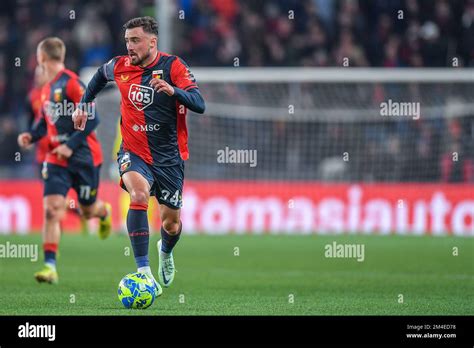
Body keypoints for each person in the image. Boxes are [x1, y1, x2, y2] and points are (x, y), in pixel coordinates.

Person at [72, 16, 205, 295]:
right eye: (127, 41)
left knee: (171, 223)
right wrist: (84, 104)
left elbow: (200, 103)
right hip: (133, 151)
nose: (130, 46)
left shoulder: (173, 66)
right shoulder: (120, 66)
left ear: (152, 42)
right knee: (139, 195)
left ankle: (165, 253)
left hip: (169, 157)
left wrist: (174, 91)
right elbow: (98, 76)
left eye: (135, 40)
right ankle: (143, 271)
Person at [17, 37, 112, 284]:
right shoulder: (47, 89)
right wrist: (32, 134)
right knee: (51, 210)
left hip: (84, 157)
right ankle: (50, 266)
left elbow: (93, 118)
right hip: (56, 158)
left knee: (87, 209)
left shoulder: (72, 84)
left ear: (41, 58)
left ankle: (103, 213)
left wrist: (70, 146)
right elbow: (43, 122)